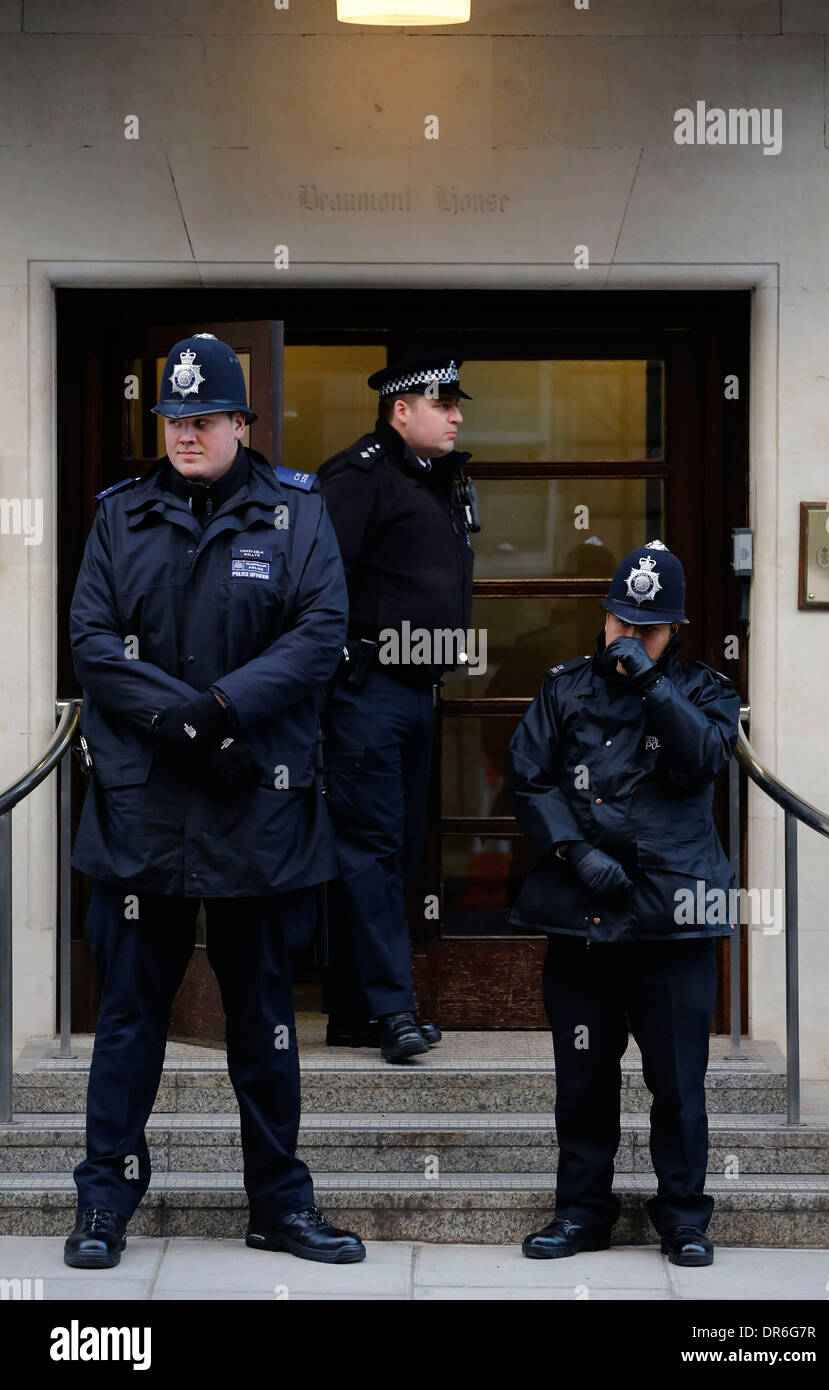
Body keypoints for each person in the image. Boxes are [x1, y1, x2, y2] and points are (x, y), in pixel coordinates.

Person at [64, 333, 366, 1268]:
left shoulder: (298, 515)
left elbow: (321, 635)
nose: (185, 435)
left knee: (266, 1026)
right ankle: (103, 1204)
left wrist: (224, 708)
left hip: (257, 812)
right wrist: (191, 725)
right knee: (127, 1025)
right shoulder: (121, 516)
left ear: (242, 421)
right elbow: (93, 644)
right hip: (143, 812)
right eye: (173, 420)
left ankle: (278, 1205)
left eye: (202, 419)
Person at [508, 540, 741, 1267]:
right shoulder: (564, 686)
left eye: (646, 631)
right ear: (604, 616)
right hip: (583, 914)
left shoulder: (704, 691)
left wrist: (650, 683)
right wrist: (575, 852)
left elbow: (703, 759)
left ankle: (683, 1217)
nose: (627, 639)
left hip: (671, 921)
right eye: (620, 624)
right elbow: (530, 774)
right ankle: (582, 1212)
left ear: (674, 632)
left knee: (677, 1084)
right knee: (583, 1079)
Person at [317, 350, 478, 1063]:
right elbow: (318, 585)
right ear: (401, 409)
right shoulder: (357, 478)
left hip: (416, 691)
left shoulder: (438, 479)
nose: (456, 416)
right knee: (373, 850)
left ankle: (353, 1009)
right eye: (443, 405)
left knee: (399, 851)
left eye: (455, 406)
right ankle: (390, 1011)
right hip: (367, 692)